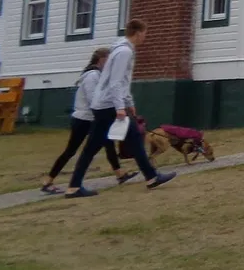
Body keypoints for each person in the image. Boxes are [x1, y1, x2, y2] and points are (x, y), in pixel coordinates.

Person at [64, 19, 175, 197]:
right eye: (145, 33)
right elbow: (116, 82)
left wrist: (129, 103)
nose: (145, 37)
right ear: (138, 33)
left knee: (96, 146)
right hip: (109, 105)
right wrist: (120, 107)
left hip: (103, 104)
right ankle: (151, 176)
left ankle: (74, 186)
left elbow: (122, 82)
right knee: (131, 140)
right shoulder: (124, 52)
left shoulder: (119, 49)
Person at [40, 48, 137, 194]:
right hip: (84, 119)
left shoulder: (99, 75)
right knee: (71, 150)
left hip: (93, 118)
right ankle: (48, 180)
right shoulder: (92, 76)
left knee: (109, 144)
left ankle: (120, 174)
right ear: (101, 60)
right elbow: (94, 99)